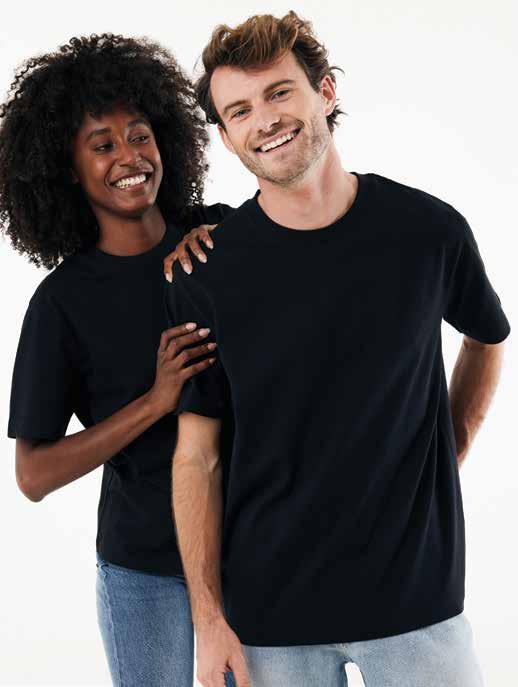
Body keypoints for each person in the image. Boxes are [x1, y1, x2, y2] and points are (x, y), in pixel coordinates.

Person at [166, 11, 511, 687]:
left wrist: (455, 440)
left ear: (325, 92)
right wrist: (208, 618)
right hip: (267, 618)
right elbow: (197, 455)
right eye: (239, 110)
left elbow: (487, 335)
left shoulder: (427, 231)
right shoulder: (207, 274)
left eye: (279, 92)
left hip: (418, 603)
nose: (264, 119)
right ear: (227, 136)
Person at [2, 34, 235, 686]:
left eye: (139, 136)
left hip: (250, 550)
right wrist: (155, 402)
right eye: (102, 145)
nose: (129, 157)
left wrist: (238, 239)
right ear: (68, 170)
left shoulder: (220, 236)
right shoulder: (63, 303)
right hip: (145, 571)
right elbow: (33, 473)